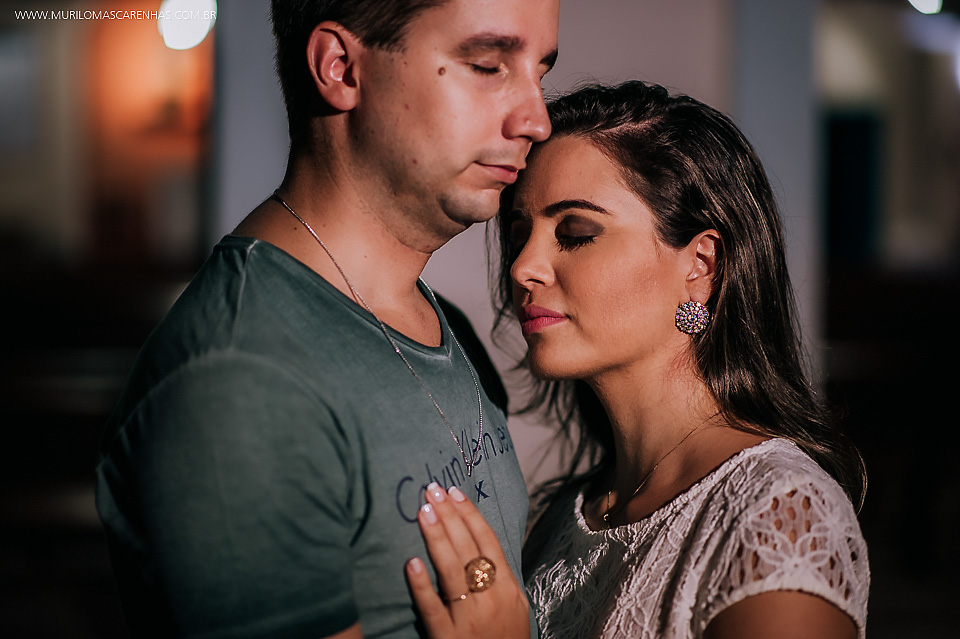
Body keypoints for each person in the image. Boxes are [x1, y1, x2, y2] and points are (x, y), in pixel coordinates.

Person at [95, 1, 559, 637]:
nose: (536, 119)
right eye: (487, 65)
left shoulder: (439, 325)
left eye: (542, 74)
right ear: (340, 68)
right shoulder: (240, 380)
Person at [406, 81, 870, 639]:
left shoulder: (780, 514)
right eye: (519, 233)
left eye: (575, 233)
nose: (523, 266)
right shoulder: (564, 517)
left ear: (699, 264)